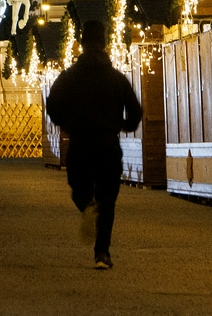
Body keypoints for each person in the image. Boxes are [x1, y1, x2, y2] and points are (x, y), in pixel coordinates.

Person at [43, 20, 143, 269]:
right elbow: (135, 111)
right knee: (108, 199)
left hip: (80, 142)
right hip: (108, 143)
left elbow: (52, 104)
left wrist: (65, 122)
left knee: (79, 188)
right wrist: (123, 125)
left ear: (82, 42)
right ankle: (102, 253)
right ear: (105, 42)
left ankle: (87, 205)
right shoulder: (116, 78)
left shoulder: (69, 77)